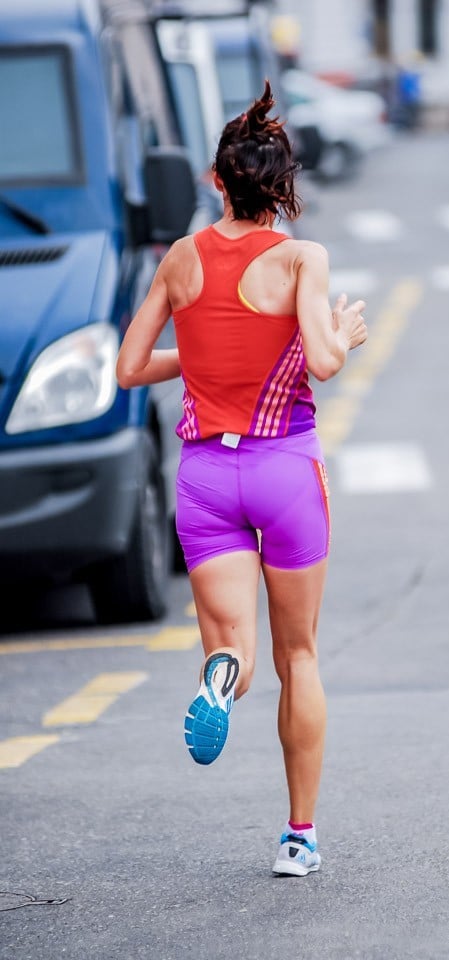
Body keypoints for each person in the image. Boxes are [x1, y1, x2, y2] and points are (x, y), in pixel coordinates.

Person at [116, 81, 367, 876]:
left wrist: (202, 356)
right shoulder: (302, 257)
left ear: (216, 182)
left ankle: (221, 677)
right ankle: (299, 837)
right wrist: (347, 333)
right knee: (302, 657)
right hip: (283, 468)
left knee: (237, 649)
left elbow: (127, 369)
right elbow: (322, 363)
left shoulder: (181, 259)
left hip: (204, 480)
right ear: (284, 187)